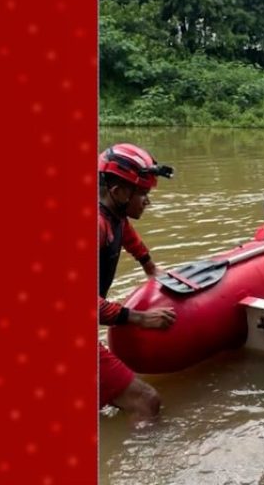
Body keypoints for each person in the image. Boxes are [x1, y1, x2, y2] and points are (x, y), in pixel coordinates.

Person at [98, 143, 177, 422]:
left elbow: (128, 236)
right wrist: (141, 319)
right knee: (147, 401)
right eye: (142, 193)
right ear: (118, 191)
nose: (148, 201)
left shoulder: (113, 217)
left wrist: (150, 266)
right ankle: (145, 463)